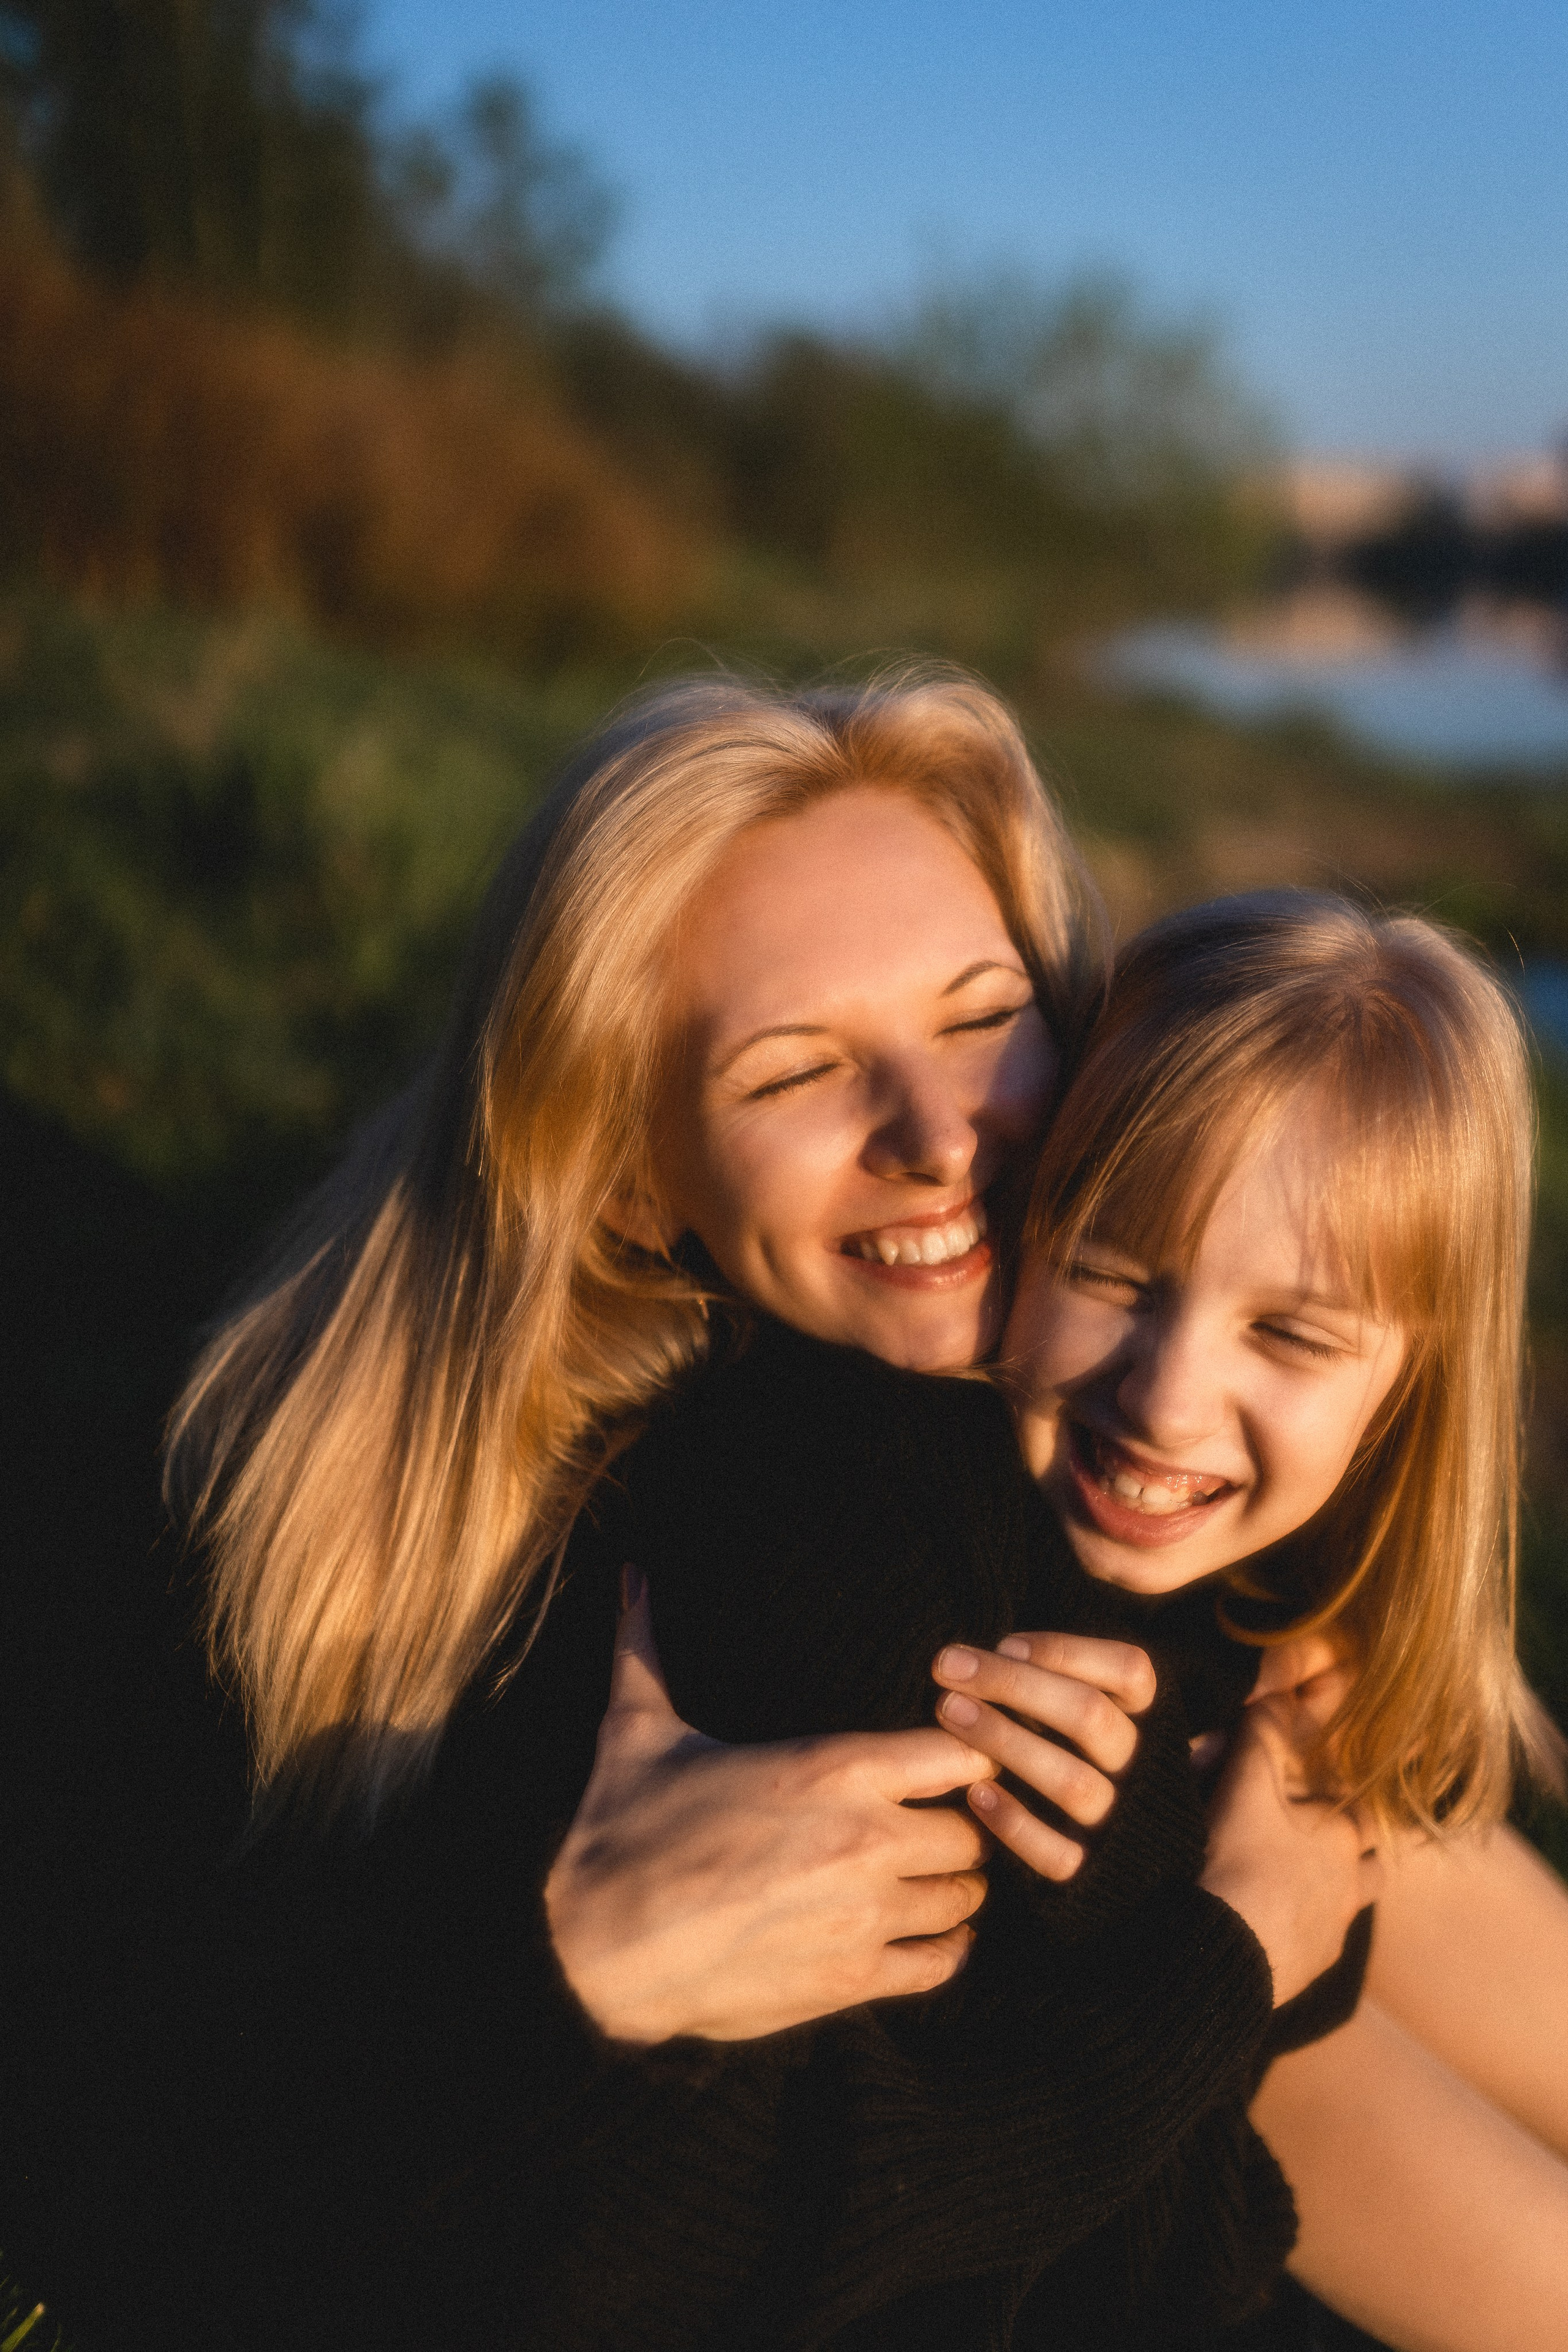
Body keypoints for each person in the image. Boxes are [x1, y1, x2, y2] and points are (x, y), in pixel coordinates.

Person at [0, 670, 1367, 2352]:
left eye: (978, 1014)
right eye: (799, 1073)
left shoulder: (973, 1414)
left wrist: (1233, 1778)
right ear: (637, 1182)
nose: (942, 1140)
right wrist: (579, 1967)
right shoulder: (783, 1544)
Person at [988, 889, 1568, 2351]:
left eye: (1290, 1333)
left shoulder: (1284, 1675)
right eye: (1109, 1274)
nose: (1166, 1398)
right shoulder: (1058, 1720)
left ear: (1408, 1389)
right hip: (1199, 1990)